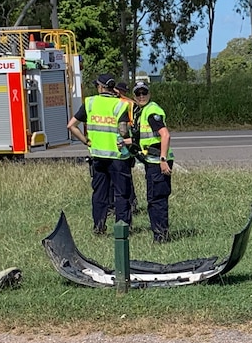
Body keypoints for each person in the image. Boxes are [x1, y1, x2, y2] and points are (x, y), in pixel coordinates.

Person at [66, 73, 134, 234]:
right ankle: (123, 228)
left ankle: (99, 226)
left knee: (99, 194)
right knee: (122, 194)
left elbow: (71, 126)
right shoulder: (120, 105)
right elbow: (124, 131)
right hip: (118, 157)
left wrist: (86, 141)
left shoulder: (90, 102)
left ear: (101, 87)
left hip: (97, 156)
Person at [131, 81, 174, 243]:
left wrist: (163, 159)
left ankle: (161, 236)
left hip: (158, 163)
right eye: (138, 93)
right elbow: (146, 138)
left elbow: (165, 135)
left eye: (144, 93)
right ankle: (159, 235)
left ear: (149, 93)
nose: (141, 96)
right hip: (152, 162)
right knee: (154, 199)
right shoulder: (143, 111)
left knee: (157, 200)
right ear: (134, 96)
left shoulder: (151, 112)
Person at [114, 81, 139, 213]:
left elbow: (124, 128)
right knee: (126, 175)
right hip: (127, 142)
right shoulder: (131, 103)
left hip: (122, 141)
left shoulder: (120, 103)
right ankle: (132, 202)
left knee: (121, 176)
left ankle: (129, 202)